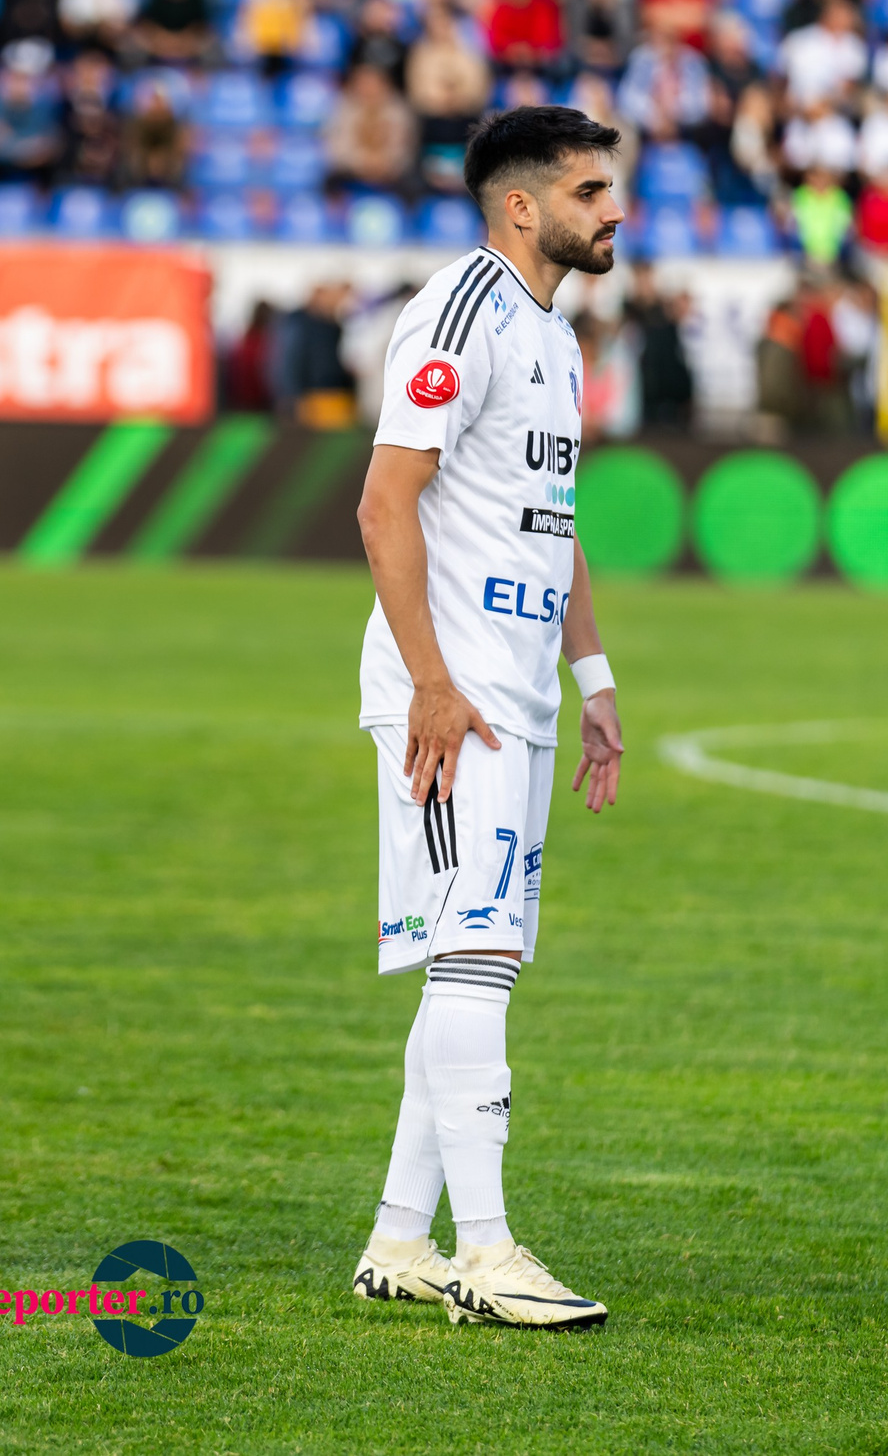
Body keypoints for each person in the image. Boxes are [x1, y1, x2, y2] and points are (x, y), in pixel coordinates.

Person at [348, 106, 627, 1331]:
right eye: (589, 191)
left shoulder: (552, 336)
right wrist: (429, 682)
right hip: (450, 696)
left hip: (514, 690)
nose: (612, 210)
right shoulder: (457, 311)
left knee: (479, 958)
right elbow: (381, 505)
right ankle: (490, 1251)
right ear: (522, 206)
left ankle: (402, 1242)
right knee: (474, 955)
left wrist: (595, 679)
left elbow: (548, 522)